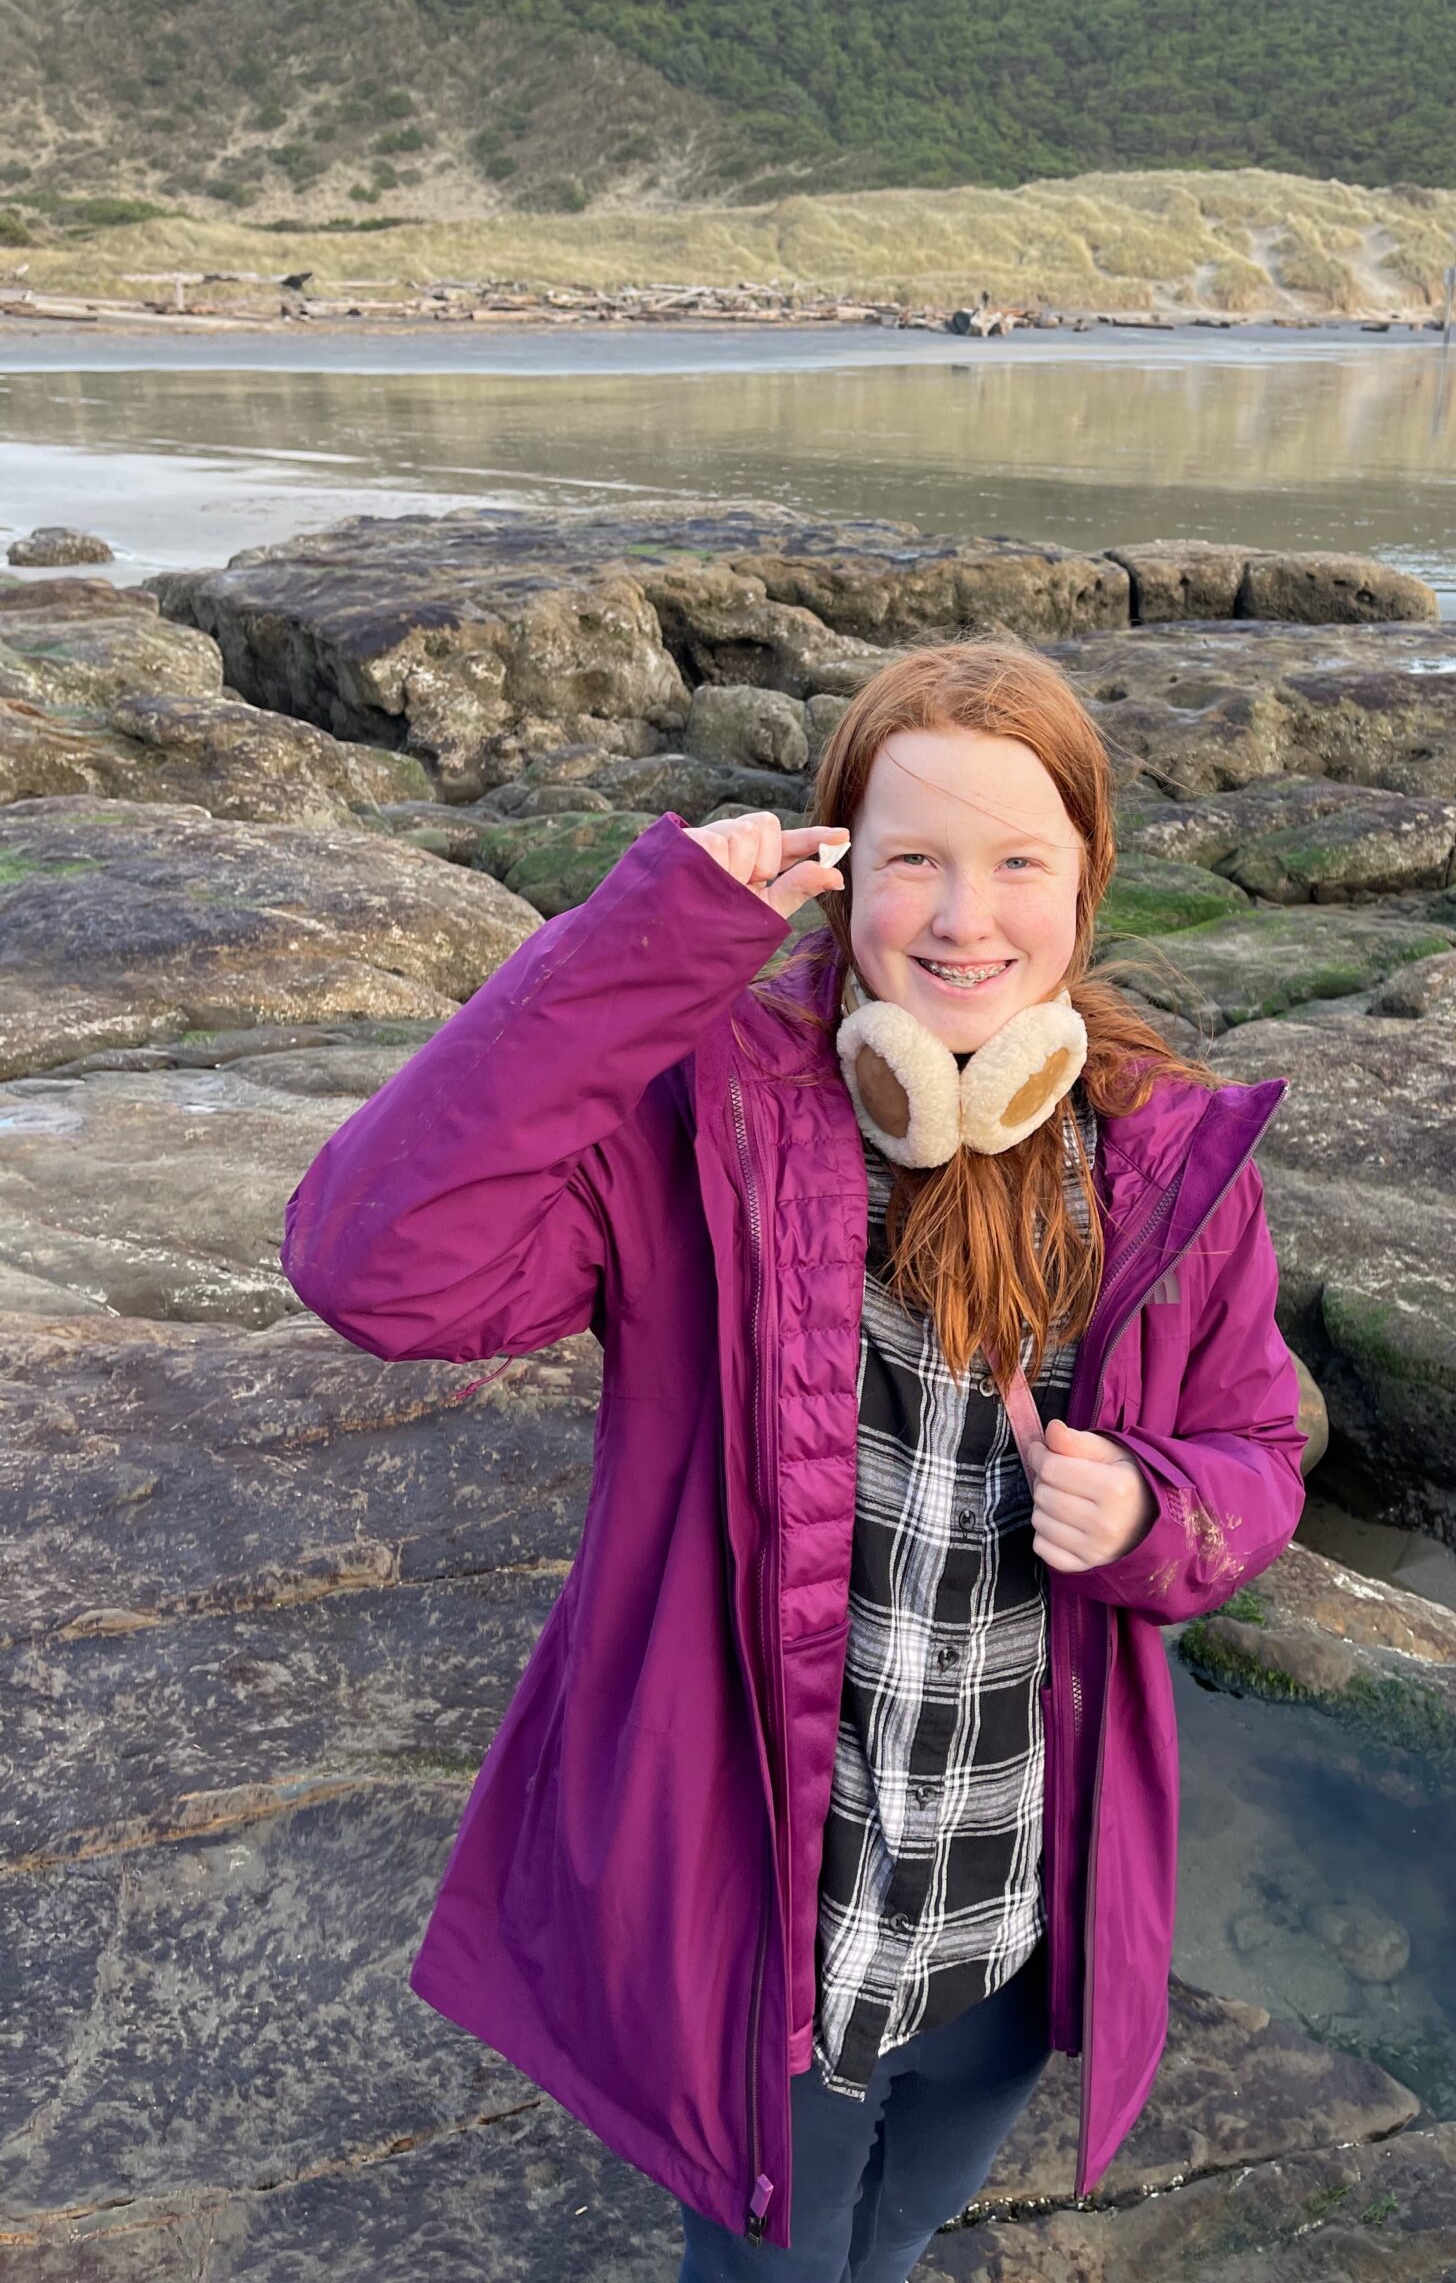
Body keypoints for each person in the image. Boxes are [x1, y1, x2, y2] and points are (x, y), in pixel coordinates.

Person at [282, 639, 1306, 2282]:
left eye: (1016, 862)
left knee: (895, 2232)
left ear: (1087, 881)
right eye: (913, 860)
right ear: (838, 876)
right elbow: (374, 1264)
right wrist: (647, 949)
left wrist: (1159, 1512)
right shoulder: (706, 1117)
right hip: (773, 1938)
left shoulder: (1168, 1154)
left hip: (1008, 1918)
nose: (966, 917)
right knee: (768, 2259)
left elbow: (1257, 1447)